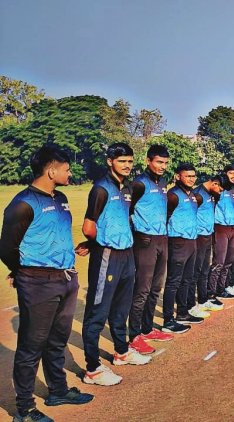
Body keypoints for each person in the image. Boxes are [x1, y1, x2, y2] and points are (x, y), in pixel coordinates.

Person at [0, 146, 94, 422]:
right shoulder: (23, 203)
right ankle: (25, 409)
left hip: (66, 278)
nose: (70, 172)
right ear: (51, 170)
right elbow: (6, 247)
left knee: (57, 340)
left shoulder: (62, 197)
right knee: (32, 345)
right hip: (39, 282)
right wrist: (23, 272)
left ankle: (58, 390)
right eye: (66, 168)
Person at [81, 142, 151, 387]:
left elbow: (123, 217)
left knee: (121, 309)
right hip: (107, 255)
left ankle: (121, 352)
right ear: (110, 161)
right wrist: (96, 243)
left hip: (126, 254)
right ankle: (92, 369)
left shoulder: (129, 188)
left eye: (130, 161)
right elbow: (88, 226)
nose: (127, 166)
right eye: (122, 161)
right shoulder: (101, 189)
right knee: (97, 313)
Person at [128, 145, 172, 356]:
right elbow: (125, 210)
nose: (162, 166)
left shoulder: (163, 182)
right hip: (144, 241)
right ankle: (134, 336)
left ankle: (147, 328)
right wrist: (137, 233)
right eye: (158, 162)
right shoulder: (138, 183)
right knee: (142, 289)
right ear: (148, 161)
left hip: (162, 238)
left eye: (165, 163)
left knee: (156, 287)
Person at [163, 163, 205, 334]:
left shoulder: (194, 195)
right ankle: (168, 319)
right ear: (178, 176)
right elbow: (164, 217)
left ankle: (182, 312)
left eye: (193, 176)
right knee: (174, 281)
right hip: (178, 241)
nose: (191, 179)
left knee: (187, 279)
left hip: (192, 240)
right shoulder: (173, 195)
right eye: (187, 176)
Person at [191, 175, 224, 312]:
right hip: (198, 236)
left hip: (207, 234)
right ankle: (190, 305)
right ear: (214, 183)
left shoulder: (211, 194)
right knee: (195, 271)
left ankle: (203, 300)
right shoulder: (198, 194)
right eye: (220, 189)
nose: (220, 192)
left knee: (205, 269)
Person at [209, 165, 234, 301]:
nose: (233, 176)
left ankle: (222, 288)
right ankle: (211, 293)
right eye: (231, 173)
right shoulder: (219, 189)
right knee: (219, 262)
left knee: (229, 260)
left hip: (232, 227)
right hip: (220, 227)